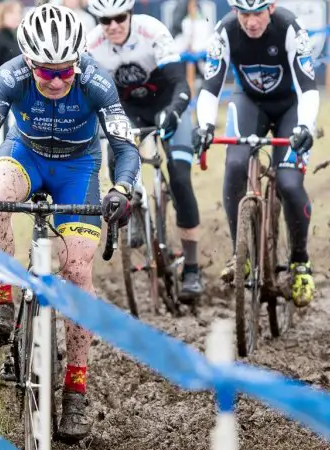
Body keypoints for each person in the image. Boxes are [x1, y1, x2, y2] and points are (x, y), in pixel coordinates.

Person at [0, 4, 140, 441]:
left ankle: (75, 389)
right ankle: (2, 299)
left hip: (78, 170)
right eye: (46, 72)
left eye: (65, 71)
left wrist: (122, 189)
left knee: (78, 271)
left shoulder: (97, 81)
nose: (57, 80)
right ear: (28, 62)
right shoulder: (10, 76)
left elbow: (125, 145)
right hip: (25, 154)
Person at [192, 0, 318, 308]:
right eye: (243, 13)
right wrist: (205, 126)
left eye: (257, 12)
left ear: (271, 7)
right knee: (235, 165)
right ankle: (242, 255)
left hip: (290, 107)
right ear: (234, 11)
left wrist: (305, 127)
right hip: (250, 103)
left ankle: (300, 264)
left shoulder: (292, 29)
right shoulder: (223, 32)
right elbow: (210, 87)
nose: (250, 21)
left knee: (289, 183)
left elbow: (308, 88)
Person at [86, 0, 205, 301]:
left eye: (119, 18)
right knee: (118, 151)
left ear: (130, 14)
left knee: (179, 178)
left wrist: (175, 111)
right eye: (105, 20)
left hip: (167, 106)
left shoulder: (152, 31)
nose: (113, 26)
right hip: (128, 111)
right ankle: (136, 211)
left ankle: (191, 268)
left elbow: (181, 83)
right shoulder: (92, 45)